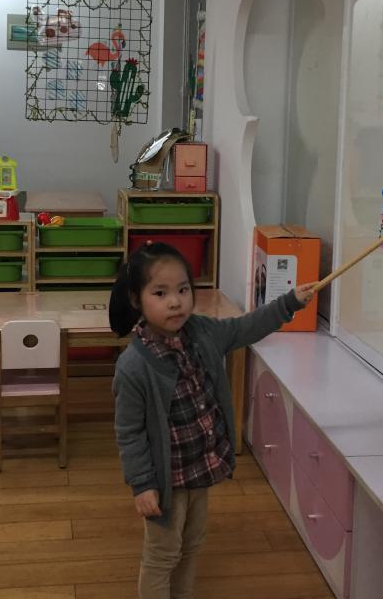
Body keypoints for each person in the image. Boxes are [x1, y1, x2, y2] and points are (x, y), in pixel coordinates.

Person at [110, 242, 315, 598]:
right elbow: (129, 433)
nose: (175, 302)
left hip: (199, 468)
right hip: (165, 479)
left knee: (191, 545)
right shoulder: (133, 366)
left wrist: (289, 303)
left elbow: (245, 328)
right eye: (160, 293)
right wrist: (142, 484)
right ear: (136, 300)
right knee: (162, 554)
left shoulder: (202, 332)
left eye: (183, 290)